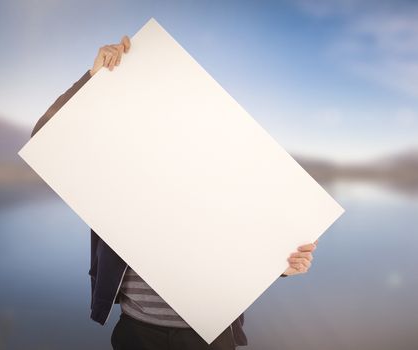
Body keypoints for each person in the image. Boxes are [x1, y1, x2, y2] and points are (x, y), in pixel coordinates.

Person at [30, 36, 318, 350]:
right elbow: (44, 140)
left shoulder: (224, 163)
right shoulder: (116, 157)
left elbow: (249, 231)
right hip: (136, 332)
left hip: (211, 333)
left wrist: (280, 264)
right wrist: (92, 79)